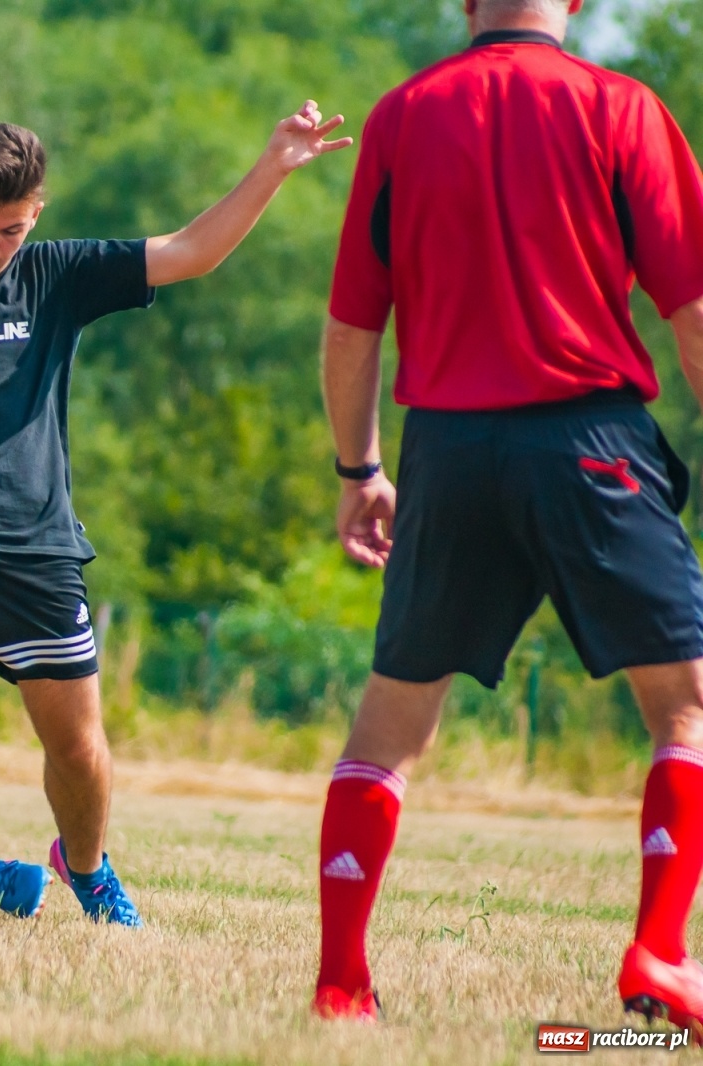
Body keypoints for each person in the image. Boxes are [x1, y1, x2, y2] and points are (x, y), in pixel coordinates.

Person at [0, 108, 351, 922]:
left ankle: (85, 867)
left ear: (36, 216)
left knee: (79, 751)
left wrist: (275, 163)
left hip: (35, 546)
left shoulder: (57, 274)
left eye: (9, 230)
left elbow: (193, 252)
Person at [317, 0, 703, 1025]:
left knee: (389, 722)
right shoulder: (622, 107)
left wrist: (358, 467)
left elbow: (353, 325)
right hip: (589, 444)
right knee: (685, 704)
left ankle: (340, 979)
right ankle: (659, 954)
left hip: (445, 448)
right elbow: (693, 313)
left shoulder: (401, 115)